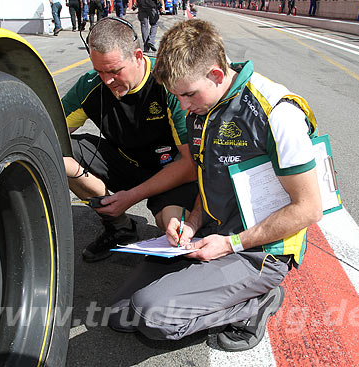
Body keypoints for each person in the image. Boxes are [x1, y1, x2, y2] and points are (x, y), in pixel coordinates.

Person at [107, 19, 322, 351]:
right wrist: (191, 223)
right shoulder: (200, 107)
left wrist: (231, 244)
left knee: (152, 316)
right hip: (211, 235)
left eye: (188, 94)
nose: (183, 106)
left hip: (259, 251)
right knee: (120, 314)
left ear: (217, 75)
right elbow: (209, 179)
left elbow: (308, 208)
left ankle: (258, 301)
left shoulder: (277, 113)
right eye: (176, 96)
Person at [62, 18, 198, 262]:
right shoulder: (90, 87)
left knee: (171, 227)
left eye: (114, 71)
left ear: (137, 55)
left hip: (169, 171)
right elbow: (50, 129)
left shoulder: (168, 84)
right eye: (99, 71)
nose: (107, 80)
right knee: (59, 153)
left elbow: (190, 164)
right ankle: (119, 227)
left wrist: (132, 196)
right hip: (123, 164)